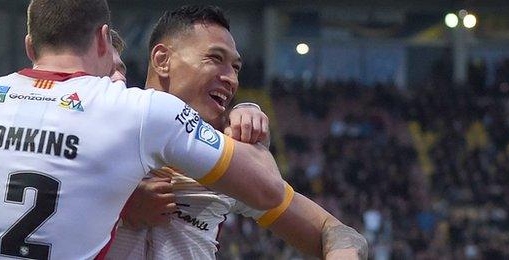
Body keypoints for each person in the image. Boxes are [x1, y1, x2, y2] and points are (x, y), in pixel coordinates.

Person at [0, 1, 290, 259]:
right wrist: (251, 119)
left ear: (30, 45)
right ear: (102, 39)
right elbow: (269, 189)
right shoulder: (135, 112)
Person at [107, 5, 367, 260]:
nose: (231, 79)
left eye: (236, 68)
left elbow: (334, 232)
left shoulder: (226, 157)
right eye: (215, 59)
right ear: (163, 60)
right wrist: (117, 202)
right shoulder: (103, 123)